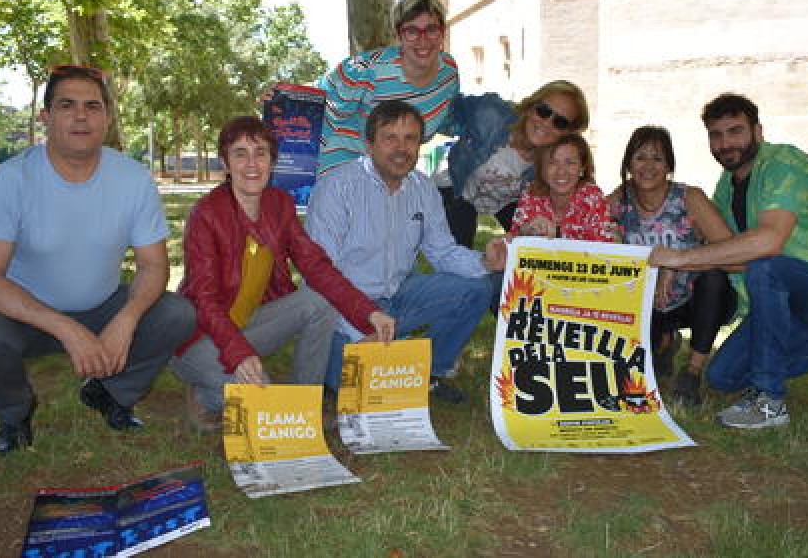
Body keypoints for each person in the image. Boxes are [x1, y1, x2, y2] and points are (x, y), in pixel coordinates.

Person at [0, 65, 195, 455]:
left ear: (107, 117)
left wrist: (127, 318)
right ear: (46, 117)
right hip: (25, 314)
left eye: (93, 106)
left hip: (102, 304)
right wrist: (66, 328)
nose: (81, 116)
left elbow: (154, 265)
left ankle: (111, 394)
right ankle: (15, 413)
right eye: (67, 105)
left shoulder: (133, 179)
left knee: (176, 313)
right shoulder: (10, 179)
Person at [649, 94, 808, 429]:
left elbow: (769, 241)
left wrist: (681, 259)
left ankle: (770, 403)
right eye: (716, 134)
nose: (726, 143)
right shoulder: (726, 187)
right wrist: (673, 261)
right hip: (783, 303)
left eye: (735, 131)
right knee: (722, 376)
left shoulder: (785, 162)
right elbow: (723, 249)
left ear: (757, 131)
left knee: (766, 266)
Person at [171, 117, 395, 432]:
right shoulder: (206, 214)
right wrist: (238, 354)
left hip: (250, 324)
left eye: (260, 152)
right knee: (263, 401)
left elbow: (316, 267)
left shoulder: (279, 204)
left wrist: (369, 312)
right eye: (240, 153)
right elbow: (205, 301)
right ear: (225, 162)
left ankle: (307, 401)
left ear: (273, 161)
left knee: (320, 298)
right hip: (202, 338)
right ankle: (205, 396)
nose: (252, 163)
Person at [306, 101, 507, 404]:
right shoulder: (336, 188)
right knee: (345, 384)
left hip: (398, 297)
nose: (401, 148)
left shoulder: (423, 189)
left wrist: (485, 261)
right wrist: (361, 326)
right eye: (390, 138)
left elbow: (442, 252)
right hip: (346, 308)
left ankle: (430, 371)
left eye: (410, 138)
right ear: (369, 144)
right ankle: (387, 356)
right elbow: (319, 275)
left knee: (477, 287)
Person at [608, 126, 735, 406]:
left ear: (669, 165)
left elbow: (734, 257)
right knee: (635, 376)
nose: (648, 166)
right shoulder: (620, 199)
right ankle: (664, 343)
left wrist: (677, 264)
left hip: (693, 299)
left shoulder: (690, 199)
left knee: (714, 278)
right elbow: (588, 245)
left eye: (658, 159)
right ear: (628, 163)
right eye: (640, 157)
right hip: (643, 304)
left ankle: (692, 371)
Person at [317, 0, 459, 176]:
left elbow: (448, 120)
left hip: (392, 174)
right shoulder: (364, 71)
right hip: (340, 171)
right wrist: (279, 99)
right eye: (411, 31)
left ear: (442, 33)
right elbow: (311, 107)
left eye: (431, 30)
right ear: (399, 36)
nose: (423, 40)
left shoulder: (448, 73)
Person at [437, 80, 591, 248]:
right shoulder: (492, 113)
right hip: (458, 187)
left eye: (560, 122)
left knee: (536, 244)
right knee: (456, 251)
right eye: (543, 111)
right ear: (530, 106)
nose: (547, 123)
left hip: (506, 202)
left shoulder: (552, 156)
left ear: (567, 133)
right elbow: (448, 109)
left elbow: (577, 178)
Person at [509, 133, 615, 242]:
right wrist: (525, 230)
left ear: (582, 167)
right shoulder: (531, 194)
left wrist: (557, 234)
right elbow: (514, 241)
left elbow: (601, 248)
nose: (561, 171)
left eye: (570, 163)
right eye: (552, 163)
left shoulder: (593, 198)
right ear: (542, 168)